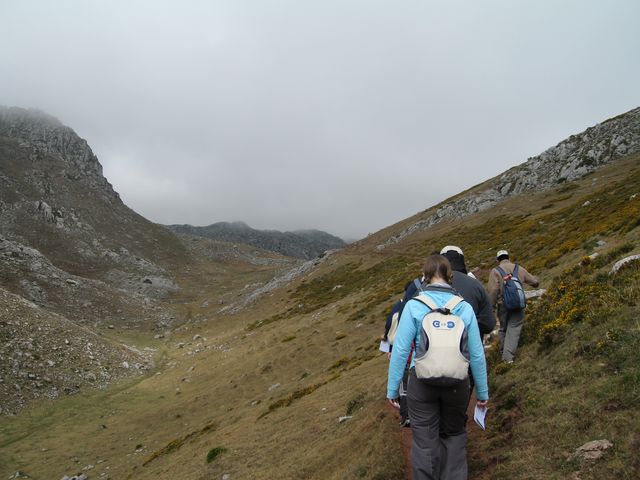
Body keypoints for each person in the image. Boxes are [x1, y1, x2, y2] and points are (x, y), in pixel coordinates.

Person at [387, 255, 489, 480]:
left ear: (425, 276)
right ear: (450, 277)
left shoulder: (414, 305)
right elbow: (477, 355)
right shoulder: (464, 307)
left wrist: (393, 389)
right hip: (457, 383)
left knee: (424, 441)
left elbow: (401, 351)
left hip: (421, 382)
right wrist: (482, 392)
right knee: (453, 436)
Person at [487, 249, 539, 363]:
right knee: (514, 327)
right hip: (518, 303)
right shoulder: (518, 268)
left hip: (503, 305)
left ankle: (505, 357)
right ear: (508, 257)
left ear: (498, 260)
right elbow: (534, 282)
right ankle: (508, 357)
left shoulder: (495, 271)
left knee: (503, 329)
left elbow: (494, 290)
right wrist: (536, 283)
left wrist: (492, 306)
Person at [440, 246, 495, 336]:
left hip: (433, 347)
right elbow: (489, 324)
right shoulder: (476, 285)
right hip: (468, 345)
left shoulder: (425, 287)